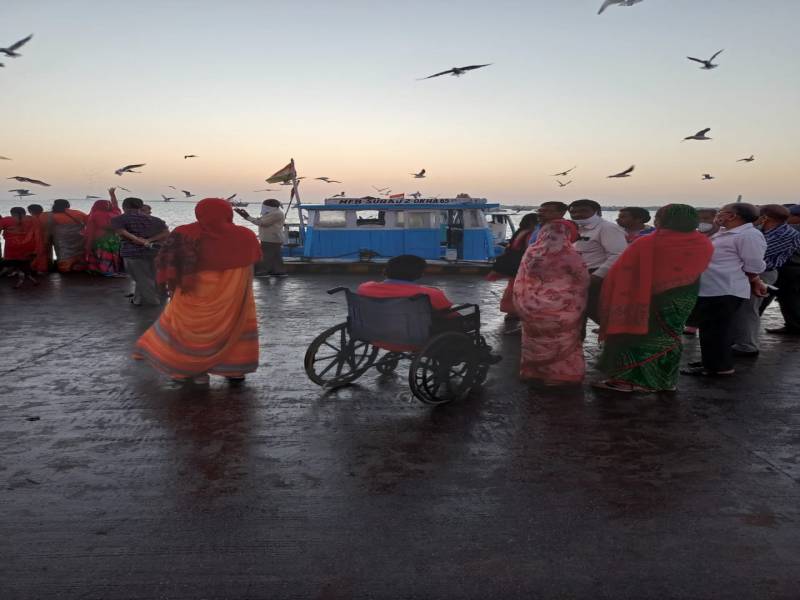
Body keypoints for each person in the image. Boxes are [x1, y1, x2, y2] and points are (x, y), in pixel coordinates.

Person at [133, 198, 262, 384]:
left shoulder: (184, 233)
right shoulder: (246, 236)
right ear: (228, 213)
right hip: (232, 298)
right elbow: (250, 266)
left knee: (187, 329)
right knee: (235, 327)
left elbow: (168, 260)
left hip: (192, 293)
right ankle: (234, 370)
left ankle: (192, 371)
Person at [594, 205, 714, 392]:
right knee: (670, 336)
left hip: (647, 298)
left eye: (659, 216)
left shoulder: (648, 243)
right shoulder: (702, 242)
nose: (656, 220)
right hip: (684, 297)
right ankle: (665, 381)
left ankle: (631, 381)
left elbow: (625, 272)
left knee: (638, 335)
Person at [682, 203, 767, 377]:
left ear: (732, 216)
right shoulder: (723, 232)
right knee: (709, 329)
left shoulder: (749, 235)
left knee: (717, 330)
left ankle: (720, 367)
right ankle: (711, 361)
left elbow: (754, 264)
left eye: (721, 212)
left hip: (725, 288)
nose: (718, 215)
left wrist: (755, 280)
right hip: (711, 287)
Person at [512, 219, 590, 387]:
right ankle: (559, 376)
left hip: (532, 305)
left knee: (533, 340)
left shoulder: (531, 252)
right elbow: (583, 280)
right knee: (562, 340)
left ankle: (533, 373)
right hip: (564, 308)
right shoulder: (570, 255)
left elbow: (521, 279)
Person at [730, 205, 800, 354]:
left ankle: (746, 345)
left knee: (748, 309)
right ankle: (740, 340)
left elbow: (756, 254)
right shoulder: (765, 231)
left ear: (765, 217)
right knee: (746, 308)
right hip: (757, 272)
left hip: (762, 273)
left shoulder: (785, 234)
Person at [568, 199, 628, 327]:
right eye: (573, 212)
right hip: (576, 277)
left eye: (583, 211)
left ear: (597, 212)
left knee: (599, 314)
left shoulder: (608, 228)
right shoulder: (573, 229)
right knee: (576, 316)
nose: (577, 215)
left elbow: (618, 255)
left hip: (597, 278)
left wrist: (597, 276)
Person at [111, 197, 169, 306]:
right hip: (154, 251)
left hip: (132, 253)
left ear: (124, 207)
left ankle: (151, 302)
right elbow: (166, 233)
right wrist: (148, 240)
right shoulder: (155, 219)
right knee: (149, 276)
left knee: (141, 278)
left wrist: (136, 239)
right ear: (140, 207)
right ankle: (138, 299)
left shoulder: (120, 219)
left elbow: (121, 231)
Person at [486, 213, 539, 333]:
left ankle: (512, 312)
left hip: (514, 267)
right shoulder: (530, 234)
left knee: (513, 288)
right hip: (523, 266)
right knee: (524, 290)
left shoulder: (520, 232)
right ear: (532, 223)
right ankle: (520, 314)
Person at [764, 205, 800, 336]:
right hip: (793, 269)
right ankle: (793, 325)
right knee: (791, 298)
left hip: (789, 269)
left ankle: (794, 326)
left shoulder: (792, 230)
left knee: (788, 298)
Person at [235, 199, 287, 277]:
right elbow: (261, 221)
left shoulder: (276, 214)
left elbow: (262, 223)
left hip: (270, 238)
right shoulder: (273, 213)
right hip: (274, 238)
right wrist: (246, 216)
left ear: (269, 206)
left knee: (265, 255)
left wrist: (247, 217)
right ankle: (279, 271)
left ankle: (262, 271)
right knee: (276, 256)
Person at [0, 207, 42, 288]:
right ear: (24, 212)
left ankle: (19, 277)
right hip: (29, 246)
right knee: (24, 263)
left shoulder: (6, 220)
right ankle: (28, 277)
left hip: (12, 247)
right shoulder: (33, 219)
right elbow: (38, 234)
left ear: (12, 213)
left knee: (14, 263)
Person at [84, 190, 123, 276]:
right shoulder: (115, 213)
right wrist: (112, 195)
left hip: (100, 238)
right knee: (113, 254)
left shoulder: (94, 214)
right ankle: (112, 270)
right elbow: (116, 205)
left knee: (100, 254)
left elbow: (90, 229)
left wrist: (88, 242)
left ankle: (99, 270)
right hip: (115, 238)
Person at [45, 199, 88, 273]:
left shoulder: (51, 216)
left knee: (64, 254)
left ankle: (65, 267)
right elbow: (88, 222)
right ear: (68, 205)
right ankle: (79, 266)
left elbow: (48, 229)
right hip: (78, 238)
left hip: (62, 240)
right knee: (80, 252)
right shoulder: (78, 213)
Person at [25, 204, 49, 273]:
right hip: (45, 237)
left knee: (36, 254)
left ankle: (34, 268)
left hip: (35, 238)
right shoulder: (45, 217)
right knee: (42, 254)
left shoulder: (31, 218)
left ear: (31, 211)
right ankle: (41, 269)